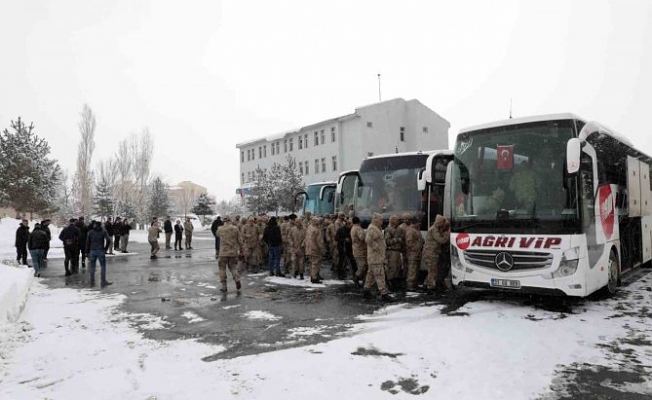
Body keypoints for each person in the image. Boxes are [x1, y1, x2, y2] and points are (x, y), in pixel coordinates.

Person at [364, 213, 392, 302]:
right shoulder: (372, 229)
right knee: (380, 275)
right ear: (376, 220)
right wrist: (378, 248)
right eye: (381, 220)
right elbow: (368, 240)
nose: (382, 222)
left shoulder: (376, 228)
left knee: (371, 275)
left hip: (375, 257)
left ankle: (366, 290)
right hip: (375, 257)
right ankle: (384, 294)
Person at [422, 214, 451, 294]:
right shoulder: (434, 230)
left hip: (432, 253)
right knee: (433, 271)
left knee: (431, 270)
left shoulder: (436, 229)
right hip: (431, 253)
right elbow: (441, 240)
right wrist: (446, 235)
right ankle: (431, 287)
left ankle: (426, 284)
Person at [216, 216, 243, 293]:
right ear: (230, 220)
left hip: (223, 252)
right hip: (233, 252)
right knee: (233, 268)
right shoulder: (235, 228)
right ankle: (237, 279)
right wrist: (242, 250)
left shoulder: (220, 229)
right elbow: (240, 240)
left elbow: (217, 235)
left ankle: (224, 286)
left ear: (223, 221)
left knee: (222, 269)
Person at [86, 221, 112, 288]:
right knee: (103, 266)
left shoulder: (91, 232)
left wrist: (87, 252)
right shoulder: (103, 231)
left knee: (92, 267)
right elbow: (108, 240)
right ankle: (103, 281)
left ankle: (92, 281)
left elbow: (88, 242)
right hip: (100, 250)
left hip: (92, 250)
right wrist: (105, 249)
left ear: (95, 225)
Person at [384, 214, 405, 291]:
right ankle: (390, 284)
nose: (398, 222)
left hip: (398, 251)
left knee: (397, 268)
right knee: (392, 268)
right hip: (391, 251)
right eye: (396, 220)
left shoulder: (399, 229)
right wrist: (397, 240)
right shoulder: (388, 230)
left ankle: (396, 283)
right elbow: (387, 241)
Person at [404, 216, 424, 291]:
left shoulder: (416, 230)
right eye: (418, 222)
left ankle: (415, 284)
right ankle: (410, 285)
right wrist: (415, 249)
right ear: (415, 223)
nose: (420, 224)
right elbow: (409, 242)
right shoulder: (410, 231)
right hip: (412, 254)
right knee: (412, 270)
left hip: (417, 253)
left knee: (416, 269)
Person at [305, 218, 325, 283]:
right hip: (315, 249)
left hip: (309, 248)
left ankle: (313, 276)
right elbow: (319, 242)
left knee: (312, 263)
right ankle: (314, 278)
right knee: (316, 263)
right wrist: (323, 250)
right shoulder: (317, 230)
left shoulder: (309, 228)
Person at [350, 217, 367, 288]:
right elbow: (362, 237)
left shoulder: (353, 228)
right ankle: (356, 277)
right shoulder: (358, 228)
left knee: (363, 265)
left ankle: (363, 279)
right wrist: (365, 233)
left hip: (357, 249)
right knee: (362, 266)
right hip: (360, 250)